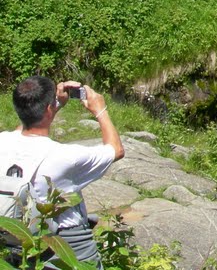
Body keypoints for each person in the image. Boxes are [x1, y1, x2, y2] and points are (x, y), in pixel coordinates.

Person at [0, 76, 124, 265]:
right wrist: (100, 110)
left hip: (17, 241)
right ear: (48, 109)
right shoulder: (64, 157)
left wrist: (54, 105)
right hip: (68, 244)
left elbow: (24, 129)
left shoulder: (3, 142)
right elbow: (116, 150)